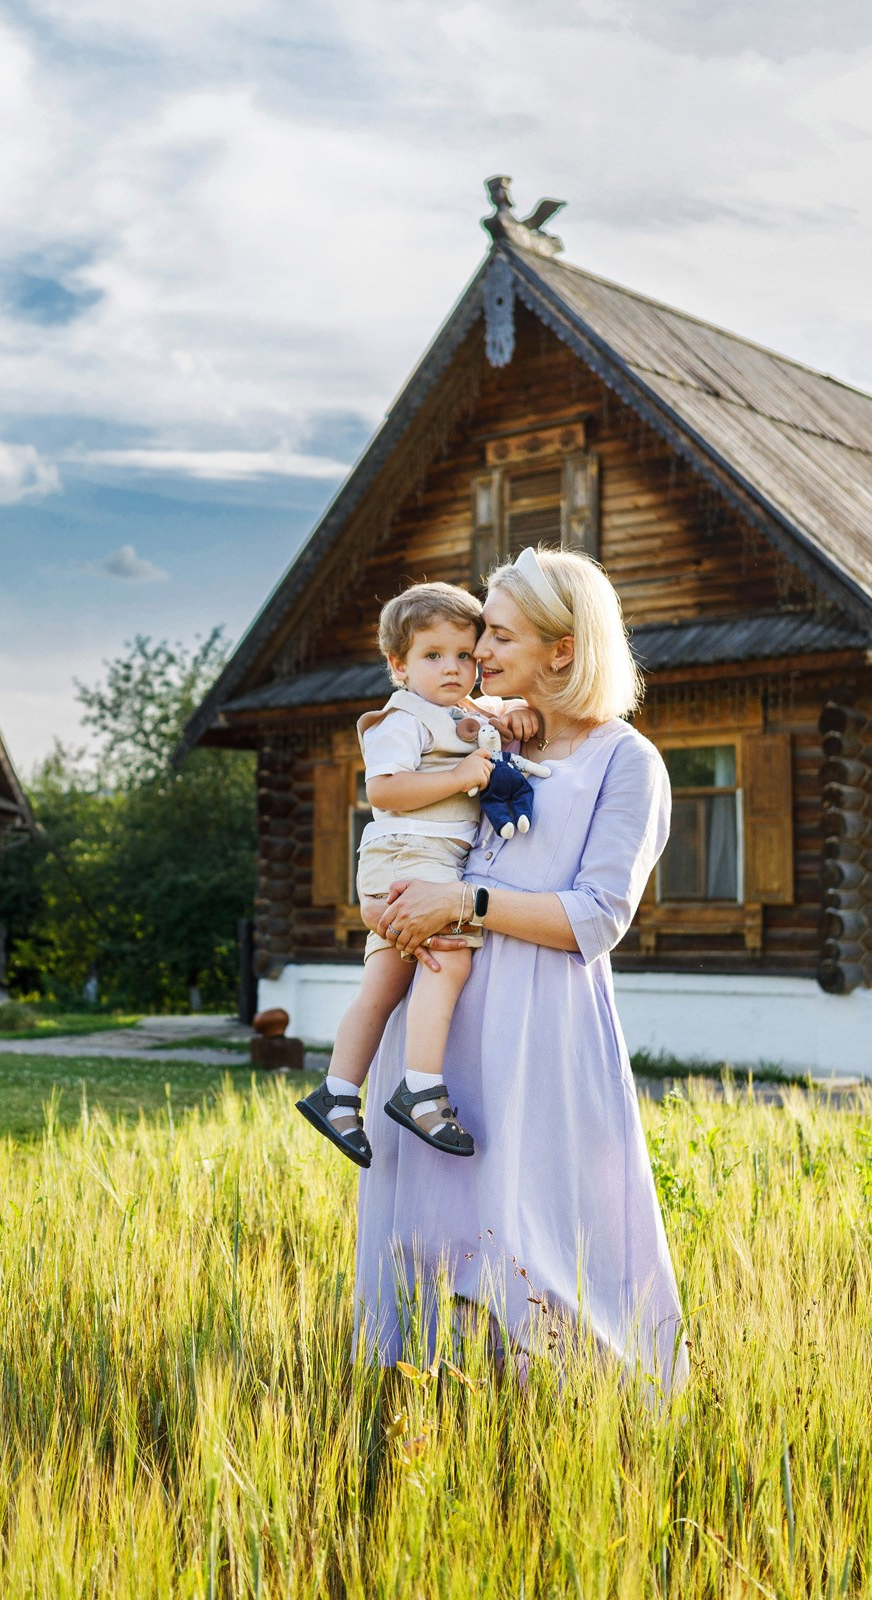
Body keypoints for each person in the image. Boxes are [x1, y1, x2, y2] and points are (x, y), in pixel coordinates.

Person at [354, 545, 689, 1388]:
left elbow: (596, 917)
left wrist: (461, 905)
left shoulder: (627, 762)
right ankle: (423, 1412)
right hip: (438, 1021)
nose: (478, 656)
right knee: (428, 1236)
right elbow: (403, 821)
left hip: (542, 1029)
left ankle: (583, 1415)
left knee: (545, 1230)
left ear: (562, 650)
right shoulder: (484, 736)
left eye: (496, 637)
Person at [294, 581, 513, 1166]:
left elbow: (506, 718)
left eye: (465, 655)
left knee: (385, 982)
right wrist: (462, 776)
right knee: (451, 955)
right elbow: (383, 789)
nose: (453, 668)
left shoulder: (460, 713)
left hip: (409, 859)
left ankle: (337, 1094)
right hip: (409, 854)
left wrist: (514, 717)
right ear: (399, 664)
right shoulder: (401, 718)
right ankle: (420, 1087)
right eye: (433, 656)